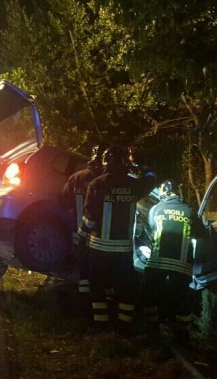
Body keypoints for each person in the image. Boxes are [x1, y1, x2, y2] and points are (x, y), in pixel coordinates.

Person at [82, 146, 156, 336]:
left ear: (105, 162)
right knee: (125, 289)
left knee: (98, 287)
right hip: (123, 251)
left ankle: (101, 326)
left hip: (98, 248)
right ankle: (123, 328)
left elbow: (89, 218)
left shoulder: (97, 184)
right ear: (124, 162)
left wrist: (82, 237)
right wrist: (140, 163)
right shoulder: (133, 185)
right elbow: (151, 180)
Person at [140, 180, 206, 345]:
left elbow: (152, 228)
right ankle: (182, 336)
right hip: (182, 264)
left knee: (149, 294)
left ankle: (152, 331)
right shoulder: (190, 212)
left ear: (162, 193)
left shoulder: (155, 209)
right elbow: (201, 235)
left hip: (157, 262)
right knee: (182, 299)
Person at [61, 144, 108, 307]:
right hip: (99, 237)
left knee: (82, 271)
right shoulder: (106, 181)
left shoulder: (76, 178)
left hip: (78, 233)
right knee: (99, 273)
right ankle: (99, 308)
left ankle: (82, 306)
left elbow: (64, 201)